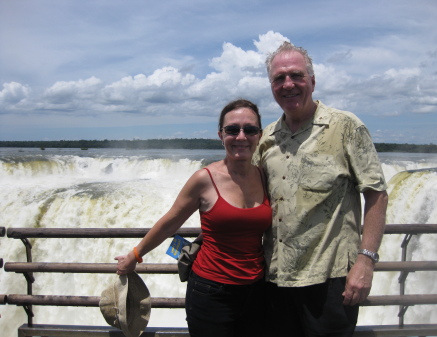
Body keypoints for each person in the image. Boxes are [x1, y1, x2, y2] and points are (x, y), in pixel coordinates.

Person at [254, 42, 389, 336]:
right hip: (274, 279)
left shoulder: (346, 127)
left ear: (312, 81)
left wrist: (366, 262)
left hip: (331, 281)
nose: (288, 84)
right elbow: (247, 197)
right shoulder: (265, 139)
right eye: (279, 78)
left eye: (296, 75)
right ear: (271, 86)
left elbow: (376, 194)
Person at [115, 99, 272, 337]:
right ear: (221, 135)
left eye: (249, 129)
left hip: (257, 289)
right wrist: (135, 255)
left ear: (259, 135)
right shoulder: (204, 178)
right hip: (210, 291)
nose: (241, 136)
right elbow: (171, 221)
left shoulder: (265, 175)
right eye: (232, 130)